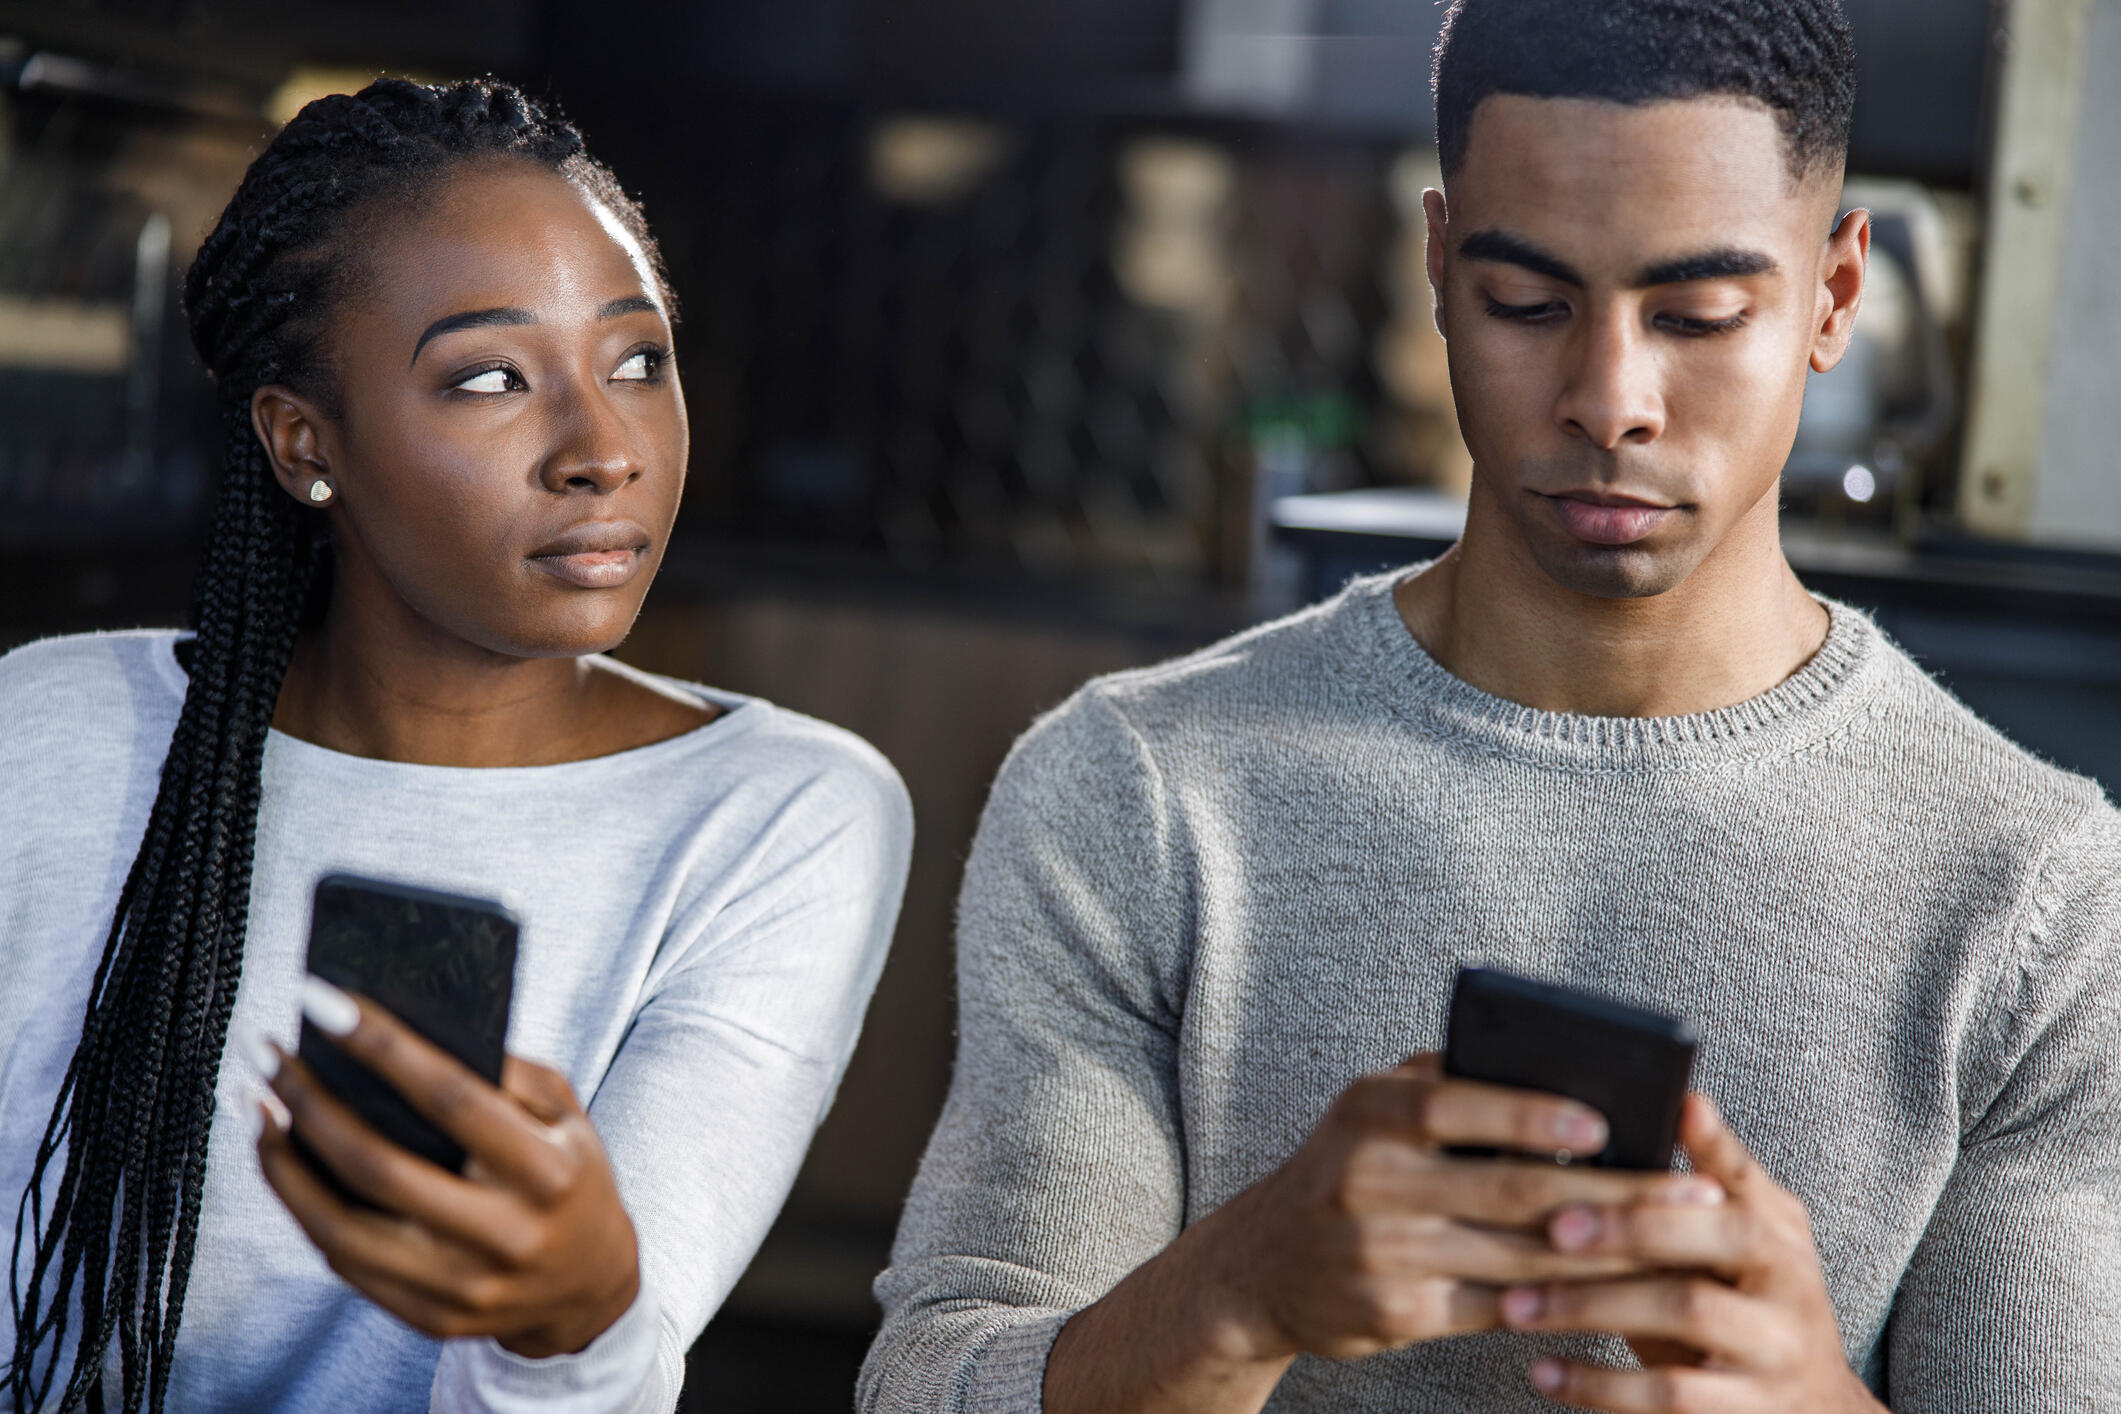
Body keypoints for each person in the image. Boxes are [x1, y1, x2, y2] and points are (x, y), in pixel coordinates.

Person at [859, 2, 2121, 1411]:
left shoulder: (2040, 904)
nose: (1608, 399)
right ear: (1440, 263)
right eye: (1528, 302)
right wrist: (1235, 1291)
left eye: (1696, 315)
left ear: (1831, 297)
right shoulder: (1139, 789)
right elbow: (929, 1382)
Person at [1, 78, 911, 1414]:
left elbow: (609, 1366)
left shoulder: (784, 814)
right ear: (306, 441)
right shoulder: (50, 728)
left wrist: (570, 1315)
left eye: (637, 361)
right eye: (489, 377)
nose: (602, 449)